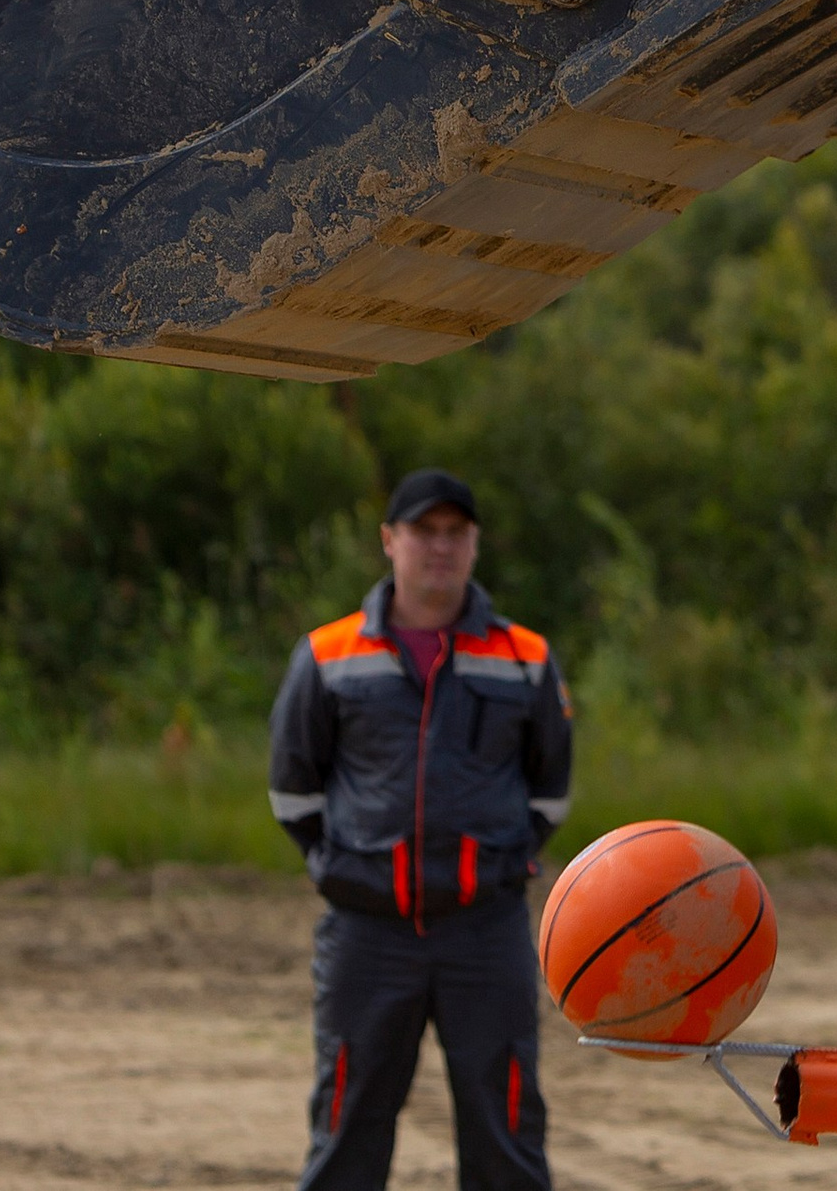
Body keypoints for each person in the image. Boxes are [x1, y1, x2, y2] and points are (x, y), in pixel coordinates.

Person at [269, 468, 574, 1191]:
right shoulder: (327, 655)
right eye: (423, 532)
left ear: (474, 544)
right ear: (389, 541)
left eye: (455, 533)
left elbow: (551, 789)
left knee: (505, 1127)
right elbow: (292, 788)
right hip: (367, 936)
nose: (439, 548)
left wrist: (497, 866)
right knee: (348, 1121)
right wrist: (343, 869)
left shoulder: (525, 659)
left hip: (484, 934)